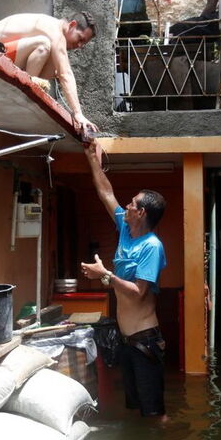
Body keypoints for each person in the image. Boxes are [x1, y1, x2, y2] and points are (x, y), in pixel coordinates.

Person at [80, 139, 168, 417]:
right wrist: (92, 160)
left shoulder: (151, 246)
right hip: (127, 340)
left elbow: (138, 292)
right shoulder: (125, 229)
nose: (126, 206)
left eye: (131, 204)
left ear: (141, 213)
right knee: (135, 408)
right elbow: (106, 193)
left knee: (155, 414)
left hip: (145, 341)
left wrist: (105, 274)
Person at [0, 12, 99, 133]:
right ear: (72, 25)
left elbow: (62, 71)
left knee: (55, 65)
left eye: (83, 44)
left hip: (8, 56)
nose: (79, 45)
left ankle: (30, 86)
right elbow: (66, 74)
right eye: (80, 38)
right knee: (43, 45)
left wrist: (57, 73)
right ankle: (28, 90)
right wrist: (78, 114)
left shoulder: (57, 36)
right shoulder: (55, 30)